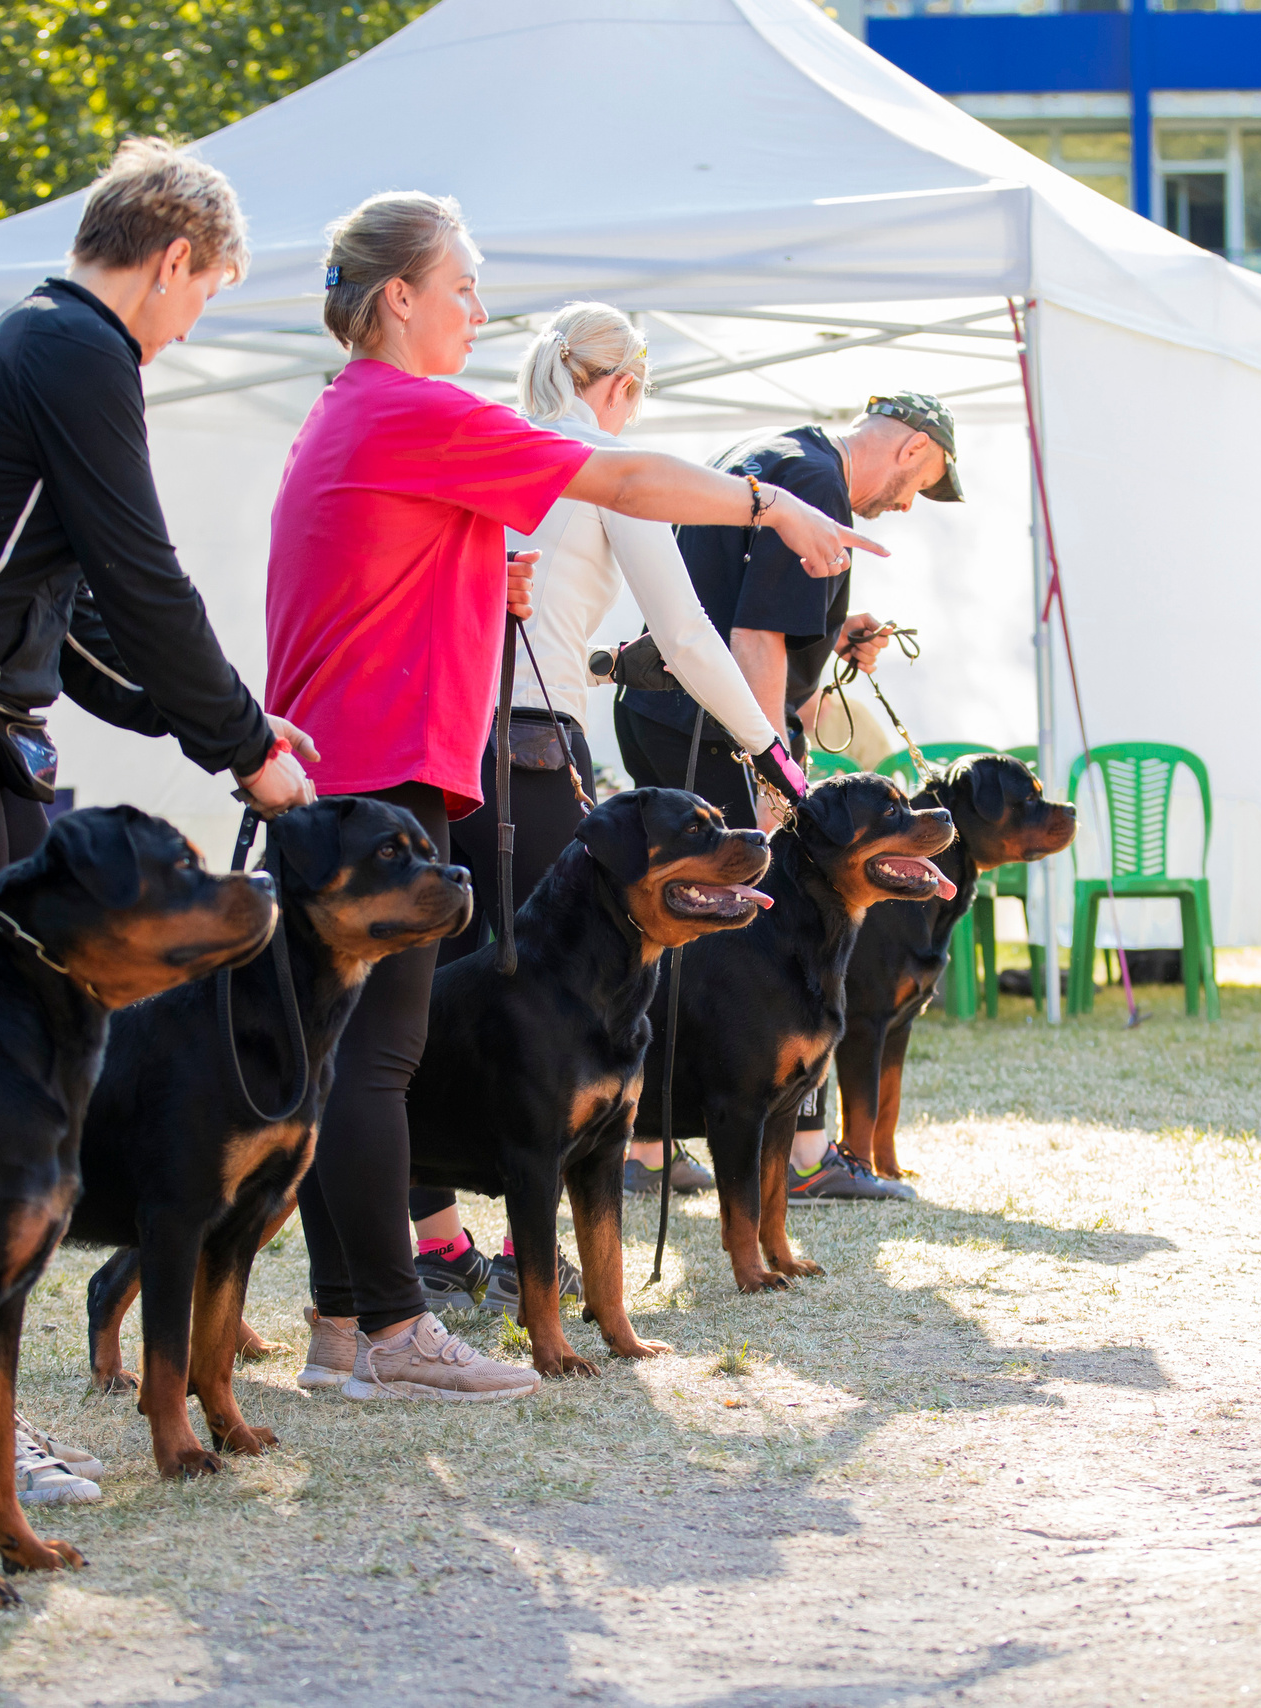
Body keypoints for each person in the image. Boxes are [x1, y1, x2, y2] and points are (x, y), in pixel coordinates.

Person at [268, 194, 879, 1402]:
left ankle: (346, 1331)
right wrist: (772, 503)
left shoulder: (352, 414)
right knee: (376, 1061)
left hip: (358, 771)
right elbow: (630, 481)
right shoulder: (413, 406)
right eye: (462, 290)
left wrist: (470, 587)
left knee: (355, 1059)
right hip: (375, 776)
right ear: (400, 299)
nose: (479, 314)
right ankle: (390, 1329)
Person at [0, 140, 314, 1496]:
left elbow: (79, 618)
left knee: (23, 1075)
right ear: (170, 259)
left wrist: (210, 730)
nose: (195, 321)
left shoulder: (34, 344)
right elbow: (147, 576)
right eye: (204, 294)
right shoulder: (76, 348)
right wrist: (245, 745)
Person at [406, 302, 800, 1310]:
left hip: (431, 740)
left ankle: (441, 1243)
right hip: (530, 751)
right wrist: (769, 747)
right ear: (620, 388)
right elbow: (689, 638)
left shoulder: (486, 443)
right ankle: (522, 1243)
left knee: (433, 998)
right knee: (551, 1007)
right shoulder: (603, 467)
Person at [615, 390, 966, 1204]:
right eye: (921, 485)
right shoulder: (815, 483)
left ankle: (644, 1142)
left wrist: (831, 634)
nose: (907, 504)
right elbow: (755, 641)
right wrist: (774, 773)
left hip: (661, 713)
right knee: (778, 933)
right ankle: (804, 1154)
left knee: (679, 931)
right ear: (912, 448)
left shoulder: (772, 449)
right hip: (711, 728)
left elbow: (751, 609)